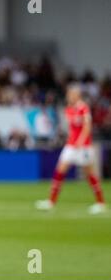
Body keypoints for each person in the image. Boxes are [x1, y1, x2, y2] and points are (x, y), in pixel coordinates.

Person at [35, 83, 106, 214]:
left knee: (89, 174)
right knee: (60, 170)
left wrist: (80, 141)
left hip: (83, 146)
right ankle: (51, 202)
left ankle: (100, 203)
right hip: (71, 146)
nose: (68, 96)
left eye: (70, 94)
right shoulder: (68, 109)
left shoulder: (83, 108)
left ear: (76, 95)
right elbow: (71, 129)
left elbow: (87, 127)